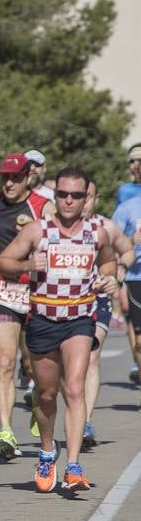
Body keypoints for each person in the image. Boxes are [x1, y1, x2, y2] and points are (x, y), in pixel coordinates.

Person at [0, 168, 118, 492]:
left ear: (86, 197)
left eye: (76, 195)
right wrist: (27, 265)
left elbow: (108, 262)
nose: (69, 201)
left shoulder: (96, 233)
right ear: (56, 195)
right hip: (43, 319)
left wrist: (110, 278)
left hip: (80, 319)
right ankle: (48, 451)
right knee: (47, 394)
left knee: (74, 389)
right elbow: (3, 261)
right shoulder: (38, 231)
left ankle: (74, 466)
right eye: (62, 194)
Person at [0, 153, 52, 460]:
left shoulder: (43, 206)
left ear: (28, 177)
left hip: (35, 292)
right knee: (4, 362)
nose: (9, 183)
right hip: (2, 290)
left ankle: (38, 402)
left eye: (15, 178)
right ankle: (5, 432)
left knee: (34, 366)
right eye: (5, 178)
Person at [82, 178, 133, 446]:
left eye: (87, 196)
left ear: (96, 199)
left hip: (96, 300)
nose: (81, 201)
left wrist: (120, 269)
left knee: (91, 358)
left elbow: (128, 251)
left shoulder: (106, 226)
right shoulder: (51, 227)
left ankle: (85, 421)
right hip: (60, 304)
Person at [111, 159, 141, 405]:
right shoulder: (127, 205)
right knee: (139, 339)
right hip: (136, 276)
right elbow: (112, 241)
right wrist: (131, 241)